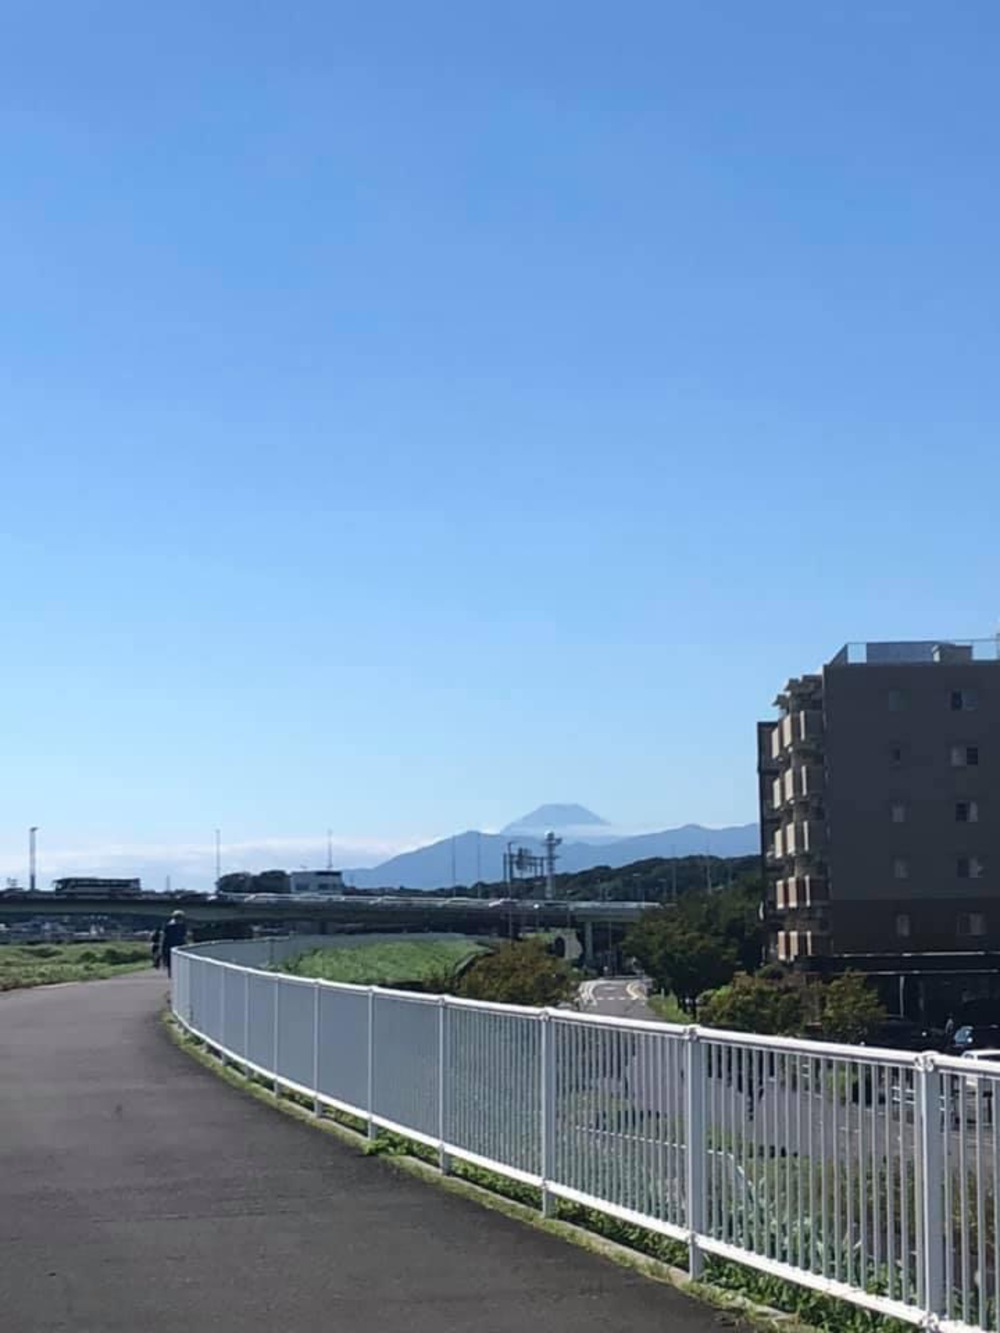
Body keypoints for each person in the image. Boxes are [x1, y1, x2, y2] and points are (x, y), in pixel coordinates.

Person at [160, 911, 187, 978]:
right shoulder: (182, 926)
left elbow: (164, 938)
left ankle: (172, 975)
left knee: (170, 963)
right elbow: (184, 937)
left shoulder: (168, 926)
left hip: (170, 946)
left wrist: (162, 949)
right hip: (179, 946)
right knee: (178, 962)